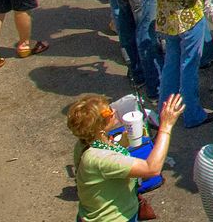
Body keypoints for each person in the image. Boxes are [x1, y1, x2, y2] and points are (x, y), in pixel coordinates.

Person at [67, 92, 188, 222]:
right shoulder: (99, 158)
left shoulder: (87, 142)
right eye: (108, 111)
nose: (113, 110)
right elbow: (152, 169)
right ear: (98, 126)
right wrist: (166, 126)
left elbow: (108, 150)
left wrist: (126, 140)